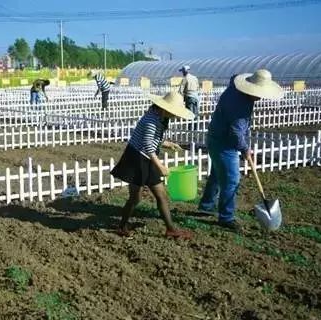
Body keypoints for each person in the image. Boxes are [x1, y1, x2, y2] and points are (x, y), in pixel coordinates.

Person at [198, 69, 283, 231]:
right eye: (260, 93)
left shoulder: (235, 89)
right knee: (231, 180)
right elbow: (236, 132)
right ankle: (226, 217)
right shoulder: (240, 104)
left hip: (215, 136)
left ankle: (206, 205)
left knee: (217, 174)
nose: (260, 97)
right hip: (224, 142)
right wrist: (245, 149)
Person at [111, 92, 195, 239]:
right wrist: (161, 166)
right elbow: (148, 145)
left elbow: (152, 138)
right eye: (174, 112)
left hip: (146, 158)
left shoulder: (160, 117)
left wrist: (167, 143)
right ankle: (122, 226)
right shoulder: (152, 119)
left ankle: (170, 229)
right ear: (165, 108)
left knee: (161, 195)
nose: (175, 115)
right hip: (137, 158)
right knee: (135, 198)